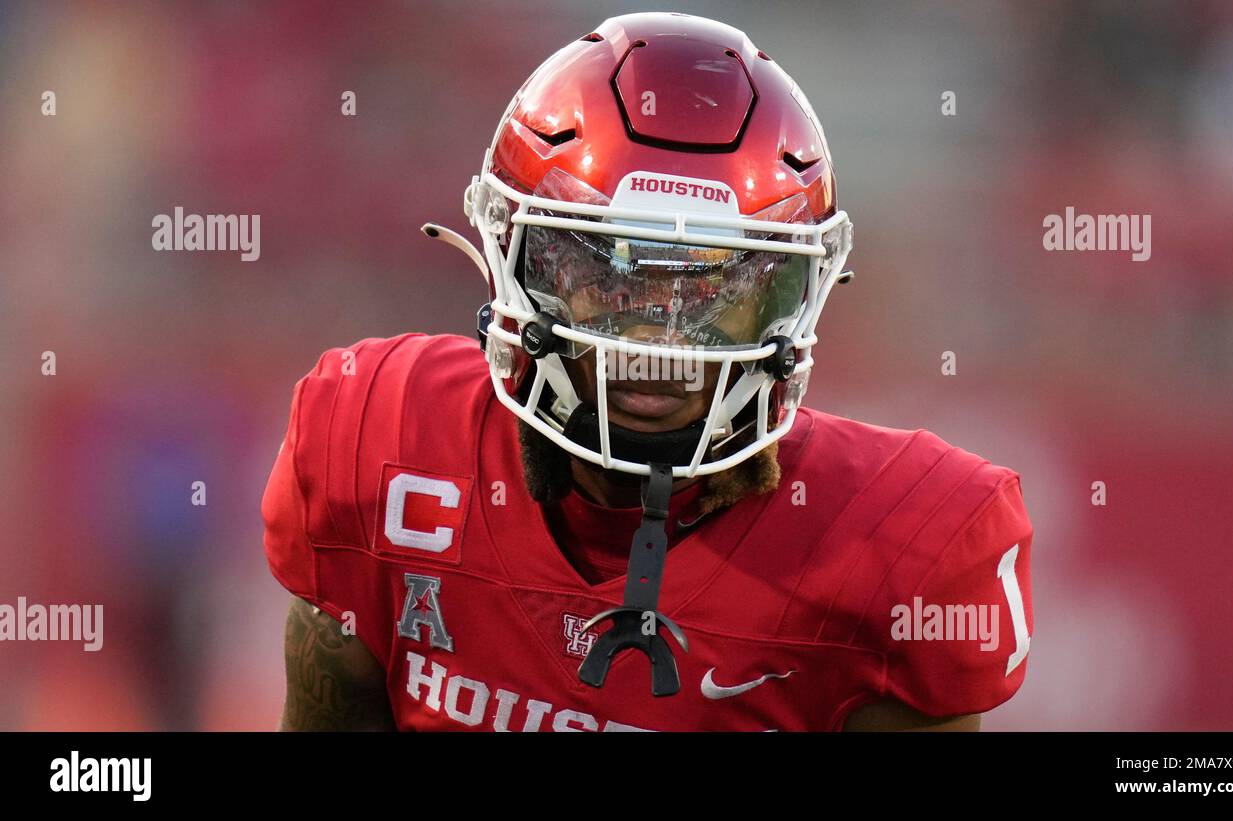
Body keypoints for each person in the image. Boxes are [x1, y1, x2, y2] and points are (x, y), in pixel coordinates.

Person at [263, 11, 1033, 732]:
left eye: (711, 290)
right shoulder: (381, 444)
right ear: (523, 261)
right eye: (612, 276)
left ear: (787, 297)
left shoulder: (897, 549)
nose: (656, 337)